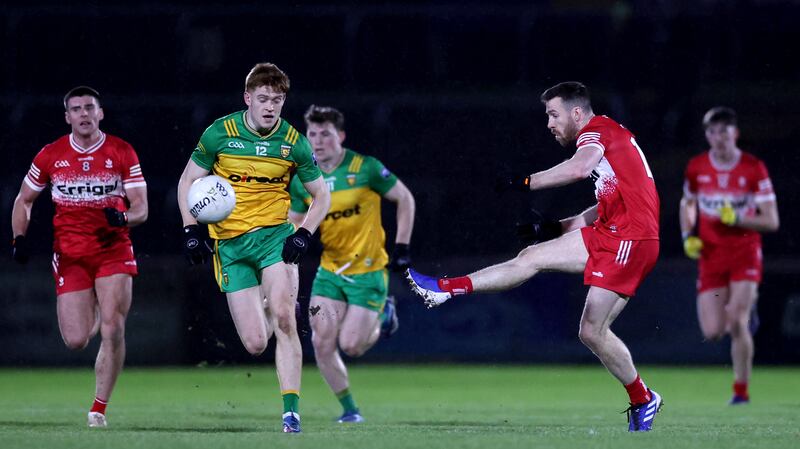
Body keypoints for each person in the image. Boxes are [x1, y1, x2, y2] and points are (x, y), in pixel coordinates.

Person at [407, 81, 663, 432]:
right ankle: (444, 289)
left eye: (554, 115)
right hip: (614, 232)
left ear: (577, 113)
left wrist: (524, 182)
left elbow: (576, 169)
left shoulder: (596, 131)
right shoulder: (610, 139)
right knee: (534, 261)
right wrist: (553, 228)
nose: (549, 123)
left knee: (591, 329)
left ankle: (644, 399)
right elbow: (604, 205)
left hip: (631, 240)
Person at [176, 63, 330, 433]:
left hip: (273, 239)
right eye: (263, 99)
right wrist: (190, 229)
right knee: (256, 343)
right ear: (247, 98)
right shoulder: (220, 133)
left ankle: (291, 414)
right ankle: (268, 301)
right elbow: (188, 181)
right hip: (230, 246)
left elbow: (322, 194)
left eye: (277, 99)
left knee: (285, 318)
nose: (270, 106)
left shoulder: (293, 141)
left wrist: (303, 233)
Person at [10, 86, 148, 428]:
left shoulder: (121, 151)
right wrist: (19, 238)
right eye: (76, 109)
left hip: (113, 250)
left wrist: (123, 218)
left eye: (89, 107)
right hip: (70, 254)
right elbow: (24, 200)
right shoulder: (51, 155)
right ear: (67, 116)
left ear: (100, 113)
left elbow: (141, 208)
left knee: (113, 327)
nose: (84, 114)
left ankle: (98, 409)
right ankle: (98, 304)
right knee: (75, 340)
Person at [288, 105, 415, 423]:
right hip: (330, 271)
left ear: (341, 136)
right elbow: (292, 224)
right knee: (321, 342)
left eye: (326, 134)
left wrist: (402, 246)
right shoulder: (304, 179)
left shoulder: (365, 167)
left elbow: (405, 199)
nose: (318, 141)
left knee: (351, 346)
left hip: (368, 271)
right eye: (312, 134)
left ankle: (384, 314)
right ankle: (350, 410)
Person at [679, 107, 779, 405]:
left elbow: (771, 221)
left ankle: (741, 392)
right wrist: (687, 235)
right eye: (712, 132)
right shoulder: (697, 167)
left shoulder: (753, 168)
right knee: (712, 332)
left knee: (737, 322)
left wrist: (737, 218)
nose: (718, 138)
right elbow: (687, 203)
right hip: (711, 256)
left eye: (724, 132)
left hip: (744, 253)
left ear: (735, 133)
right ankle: (745, 313)